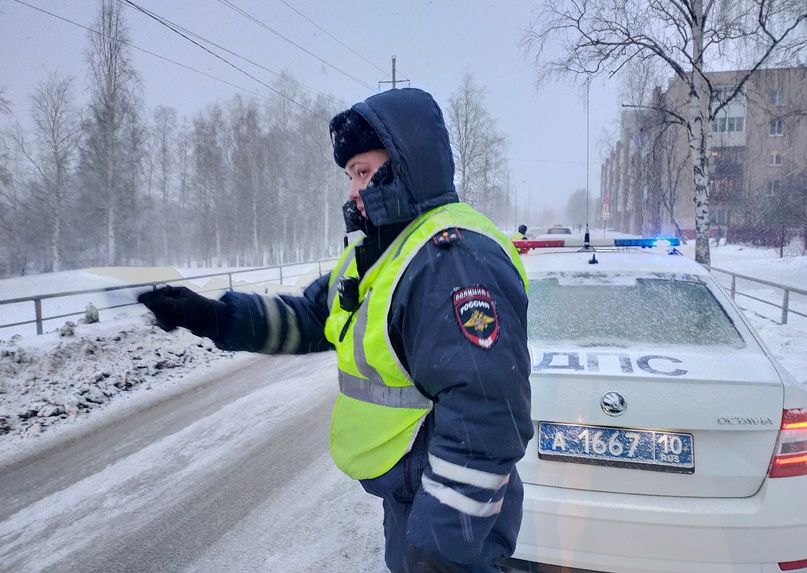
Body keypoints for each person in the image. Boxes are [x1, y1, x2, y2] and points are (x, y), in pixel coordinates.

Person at [138, 88, 533, 573]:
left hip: (449, 515)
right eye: (349, 176)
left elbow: (486, 411)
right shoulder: (382, 251)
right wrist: (216, 317)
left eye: (363, 173)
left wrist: (440, 544)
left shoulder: (451, 258)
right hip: (415, 495)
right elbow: (310, 318)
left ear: (405, 166)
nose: (352, 190)